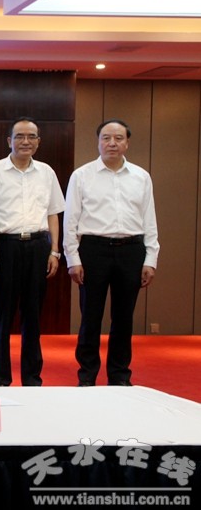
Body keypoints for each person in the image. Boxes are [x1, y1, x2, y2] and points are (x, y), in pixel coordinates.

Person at [64, 119, 159, 387]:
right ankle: (87, 376)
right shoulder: (82, 175)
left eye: (118, 138)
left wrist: (150, 259)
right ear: (98, 142)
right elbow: (70, 221)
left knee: (124, 317)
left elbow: (149, 220)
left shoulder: (141, 177)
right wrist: (73, 259)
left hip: (131, 250)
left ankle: (119, 376)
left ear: (127, 143)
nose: (112, 143)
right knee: (90, 317)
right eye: (106, 138)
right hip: (93, 250)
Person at [0, 117, 65, 386]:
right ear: (9, 141)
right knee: (2, 317)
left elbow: (53, 213)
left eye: (31, 137)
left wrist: (54, 251)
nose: (25, 141)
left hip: (38, 247)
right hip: (5, 247)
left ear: (38, 142)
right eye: (19, 136)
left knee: (33, 317)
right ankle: (1, 379)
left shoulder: (47, 172)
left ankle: (32, 379)